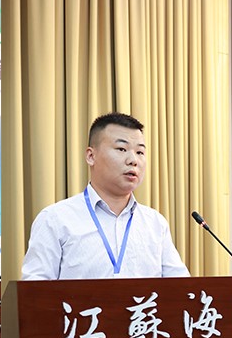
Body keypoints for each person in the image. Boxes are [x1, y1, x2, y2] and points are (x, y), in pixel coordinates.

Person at [21, 112, 189, 280]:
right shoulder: (55, 219)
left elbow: (181, 286)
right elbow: (34, 288)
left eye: (140, 152)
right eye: (121, 149)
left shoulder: (155, 223)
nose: (133, 160)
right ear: (91, 156)